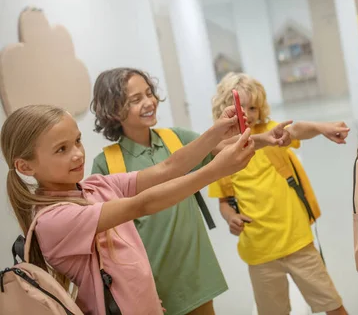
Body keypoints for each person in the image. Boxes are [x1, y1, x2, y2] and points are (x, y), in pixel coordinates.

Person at [2, 104, 254, 315]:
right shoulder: (53, 219)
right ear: (25, 167)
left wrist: (217, 131)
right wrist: (215, 171)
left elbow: (166, 168)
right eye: (62, 149)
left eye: (77, 141)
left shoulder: (94, 186)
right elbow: (142, 204)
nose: (78, 154)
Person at [89, 67, 290, 315]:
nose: (149, 101)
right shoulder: (106, 164)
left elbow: (222, 146)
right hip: (150, 281)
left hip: (193, 274)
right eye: (135, 99)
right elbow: (109, 239)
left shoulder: (176, 138)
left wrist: (265, 138)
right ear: (113, 110)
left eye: (149, 93)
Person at [208, 72, 350, 315]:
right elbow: (224, 201)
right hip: (259, 251)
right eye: (241, 107)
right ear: (224, 109)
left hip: (297, 241)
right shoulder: (222, 153)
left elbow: (296, 129)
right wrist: (230, 216)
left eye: (253, 107)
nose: (248, 114)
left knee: (331, 303)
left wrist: (321, 127)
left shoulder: (272, 132)